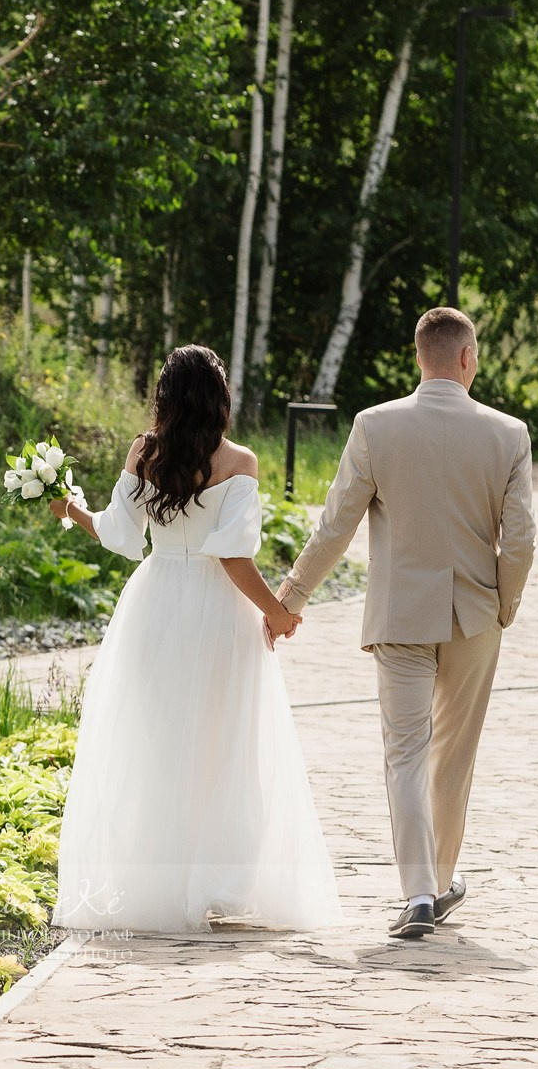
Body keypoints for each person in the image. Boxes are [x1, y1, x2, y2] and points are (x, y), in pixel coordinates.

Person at [46, 344, 340, 933]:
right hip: (217, 613)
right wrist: (279, 612)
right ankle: (213, 882)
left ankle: (160, 879)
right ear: (220, 398)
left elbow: (119, 535)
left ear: (164, 398)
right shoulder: (239, 462)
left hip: (154, 605)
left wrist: (71, 510)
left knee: (158, 742)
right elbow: (231, 556)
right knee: (224, 743)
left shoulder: (144, 453)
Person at [273, 307, 535, 939]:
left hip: (400, 620)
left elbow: (336, 524)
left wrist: (290, 598)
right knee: (454, 758)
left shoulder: (374, 426)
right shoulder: (508, 433)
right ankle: (442, 884)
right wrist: (503, 605)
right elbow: (521, 541)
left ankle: (417, 893)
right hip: (475, 618)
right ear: (468, 357)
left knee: (406, 756)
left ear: (419, 358)